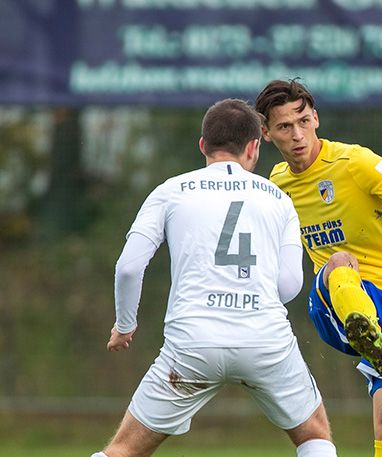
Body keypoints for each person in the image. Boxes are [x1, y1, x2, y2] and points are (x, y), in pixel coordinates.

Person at [91, 99, 338, 457]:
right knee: (314, 434)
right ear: (254, 147)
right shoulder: (279, 200)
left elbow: (129, 267)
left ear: (203, 145)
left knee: (124, 450)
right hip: (265, 341)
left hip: (193, 344)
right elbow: (288, 287)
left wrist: (125, 325)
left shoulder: (170, 190)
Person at [255, 79, 382, 457]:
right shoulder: (276, 185)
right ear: (265, 133)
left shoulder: (355, 162)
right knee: (339, 262)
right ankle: (363, 329)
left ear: (317, 119)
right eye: (284, 127)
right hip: (335, 297)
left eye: (304, 121)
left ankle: (375, 342)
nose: (298, 135)